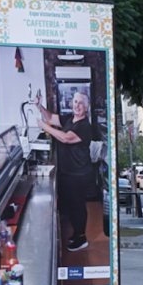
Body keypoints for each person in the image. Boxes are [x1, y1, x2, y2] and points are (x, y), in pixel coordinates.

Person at [39, 91, 101, 253]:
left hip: (79, 174)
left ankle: (81, 238)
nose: (77, 105)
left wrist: (46, 128)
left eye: (81, 103)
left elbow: (66, 138)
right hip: (68, 172)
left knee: (77, 206)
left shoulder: (85, 126)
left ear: (86, 107)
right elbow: (50, 118)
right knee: (71, 206)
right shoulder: (69, 119)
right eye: (75, 102)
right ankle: (76, 233)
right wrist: (39, 106)